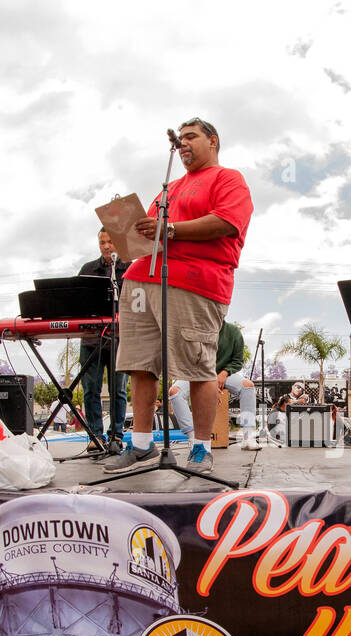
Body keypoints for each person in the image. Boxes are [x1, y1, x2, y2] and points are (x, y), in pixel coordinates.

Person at [105, 118, 254, 475]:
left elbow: (227, 222)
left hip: (193, 282)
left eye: (191, 137)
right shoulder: (168, 187)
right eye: (180, 139)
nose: (183, 144)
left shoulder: (228, 178)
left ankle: (201, 447)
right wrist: (131, 230)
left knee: (198, 367)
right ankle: (141, 443)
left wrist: (169, 228)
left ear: (213, 141)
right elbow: (150, 233)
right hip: (141, 279)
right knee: (140, 365)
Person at [168, 321, 259, 449]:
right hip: (197, 374)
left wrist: (224, 373)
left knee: (248, 386)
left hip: (223, 375)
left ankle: (248, 437)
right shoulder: (195, 328)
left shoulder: (233, 332)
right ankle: (192, 436)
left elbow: (238, 361)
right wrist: (209, 382)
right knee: (174, 392)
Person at [78, 230, 130, 453]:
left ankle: (117, 435)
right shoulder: (88, 269)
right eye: (102, 242)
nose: (106, 246)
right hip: (92, 340)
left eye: (110, 242)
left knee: (118, 389)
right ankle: (95, 436)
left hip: (120, 338)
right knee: (91, 389)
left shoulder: (129, 267)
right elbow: (76, 300)